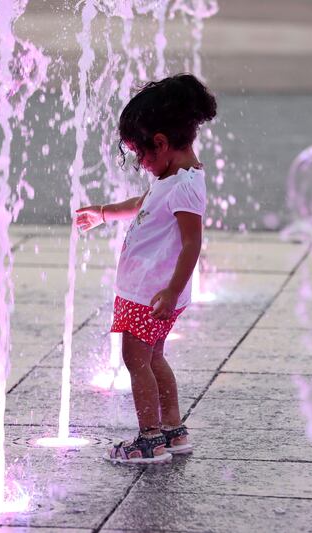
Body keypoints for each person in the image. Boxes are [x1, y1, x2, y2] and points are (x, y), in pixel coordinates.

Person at [75, 73, 217, 464]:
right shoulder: (176, 178)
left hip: (150, 293)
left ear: (162, 143)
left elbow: (192, 242)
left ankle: (148, 440)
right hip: (151, 291)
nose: (141, 163)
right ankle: (173, 430)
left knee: (136, 361)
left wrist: (172, 290)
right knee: (154, 358)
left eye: (141, 154)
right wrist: (104, 213)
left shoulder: (185, 187)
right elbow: (145, 203)